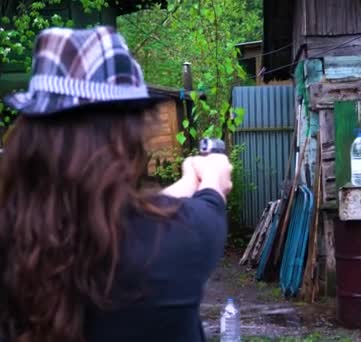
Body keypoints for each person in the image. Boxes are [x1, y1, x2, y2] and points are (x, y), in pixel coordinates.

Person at [0, 26, 232, 342]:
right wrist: (207, 173)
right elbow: (207, 204)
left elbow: (137, 215)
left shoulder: (16, 238)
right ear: (123, 138)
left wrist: (187, 179)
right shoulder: (177, 241)